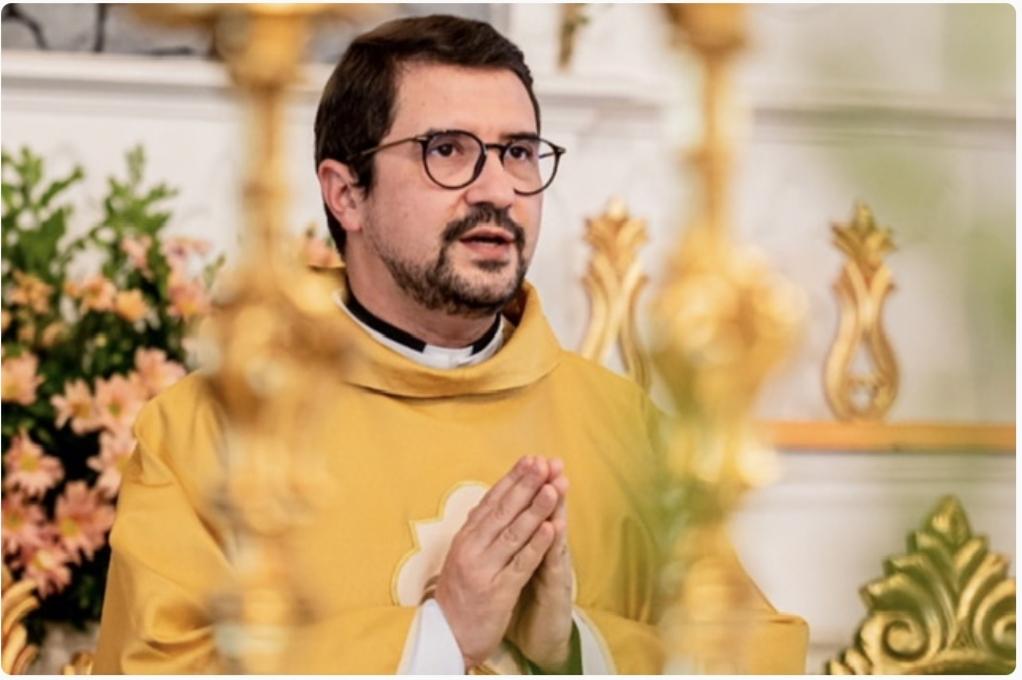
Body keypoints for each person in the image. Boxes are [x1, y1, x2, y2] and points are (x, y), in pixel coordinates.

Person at [94, 14, 805, 674]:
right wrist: (439, 637)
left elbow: (758, 653)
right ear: (347, 194)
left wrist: (575, 648)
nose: (497, 189)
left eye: (518, 153)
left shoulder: (629, 428)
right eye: (447, 150)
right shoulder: (210, 429)